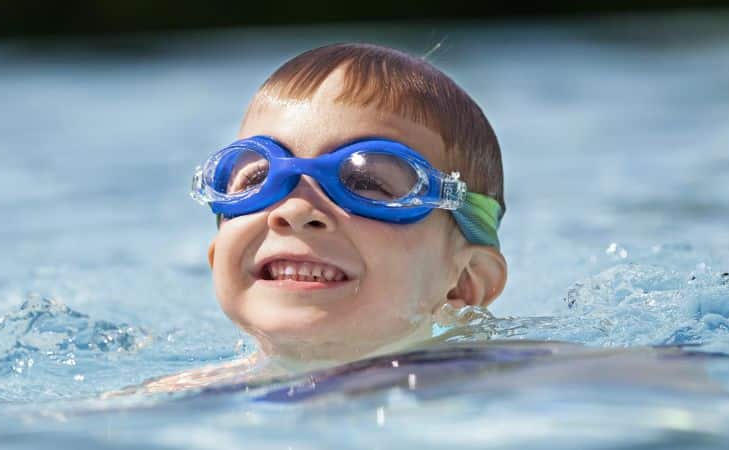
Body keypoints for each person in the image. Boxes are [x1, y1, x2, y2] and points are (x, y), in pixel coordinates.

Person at [146, 42, 508, 393]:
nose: (295, 210)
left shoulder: (512, 378)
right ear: (216, 256)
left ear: (464, 282)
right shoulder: (163, 400)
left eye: (365, 182)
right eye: (257, 178)